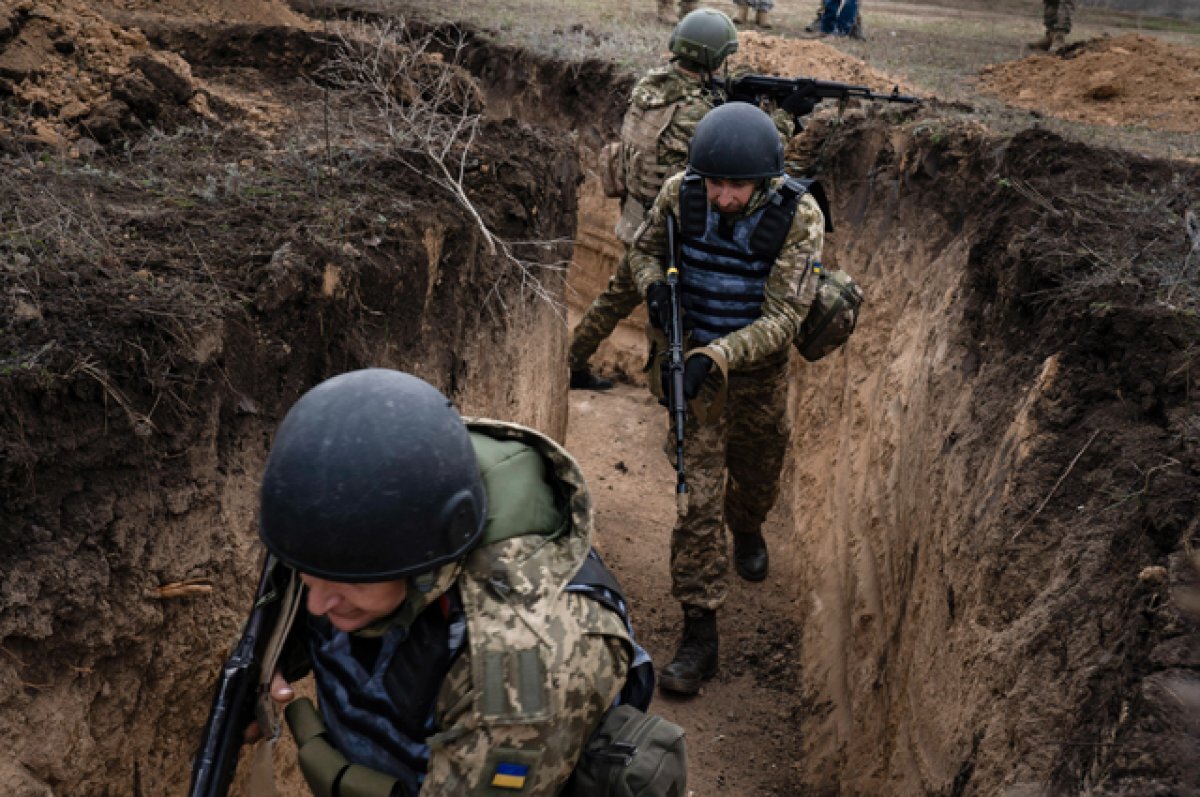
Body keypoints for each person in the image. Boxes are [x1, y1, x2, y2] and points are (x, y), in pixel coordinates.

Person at [254, 368, 654, 795]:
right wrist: (271, 656)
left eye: (348, 585)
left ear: (424, 561)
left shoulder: (522, 669)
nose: (315, 605)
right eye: (307, 578)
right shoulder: (360, 503)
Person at [627, 103, 828, 695]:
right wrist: (655, 292)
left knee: (759, 478)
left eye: (736, 185)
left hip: (757, 377)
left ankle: (749, 526)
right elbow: (641, 251)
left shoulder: (799, 216)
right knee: (696, 500)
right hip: (694, 378)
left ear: (763, 180)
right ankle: (700, 633)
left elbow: (787, 316)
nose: (722, 197)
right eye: (714, 182)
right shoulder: (679, 194)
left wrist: (715, 358)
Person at [569, 8, 739, 390]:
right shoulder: (698, 113)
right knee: (665, 312)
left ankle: (573, 361)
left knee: (615, 299)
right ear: (711, 59)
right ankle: (666, 390)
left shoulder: (651, 86)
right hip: (667, 230)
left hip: (635, 215)